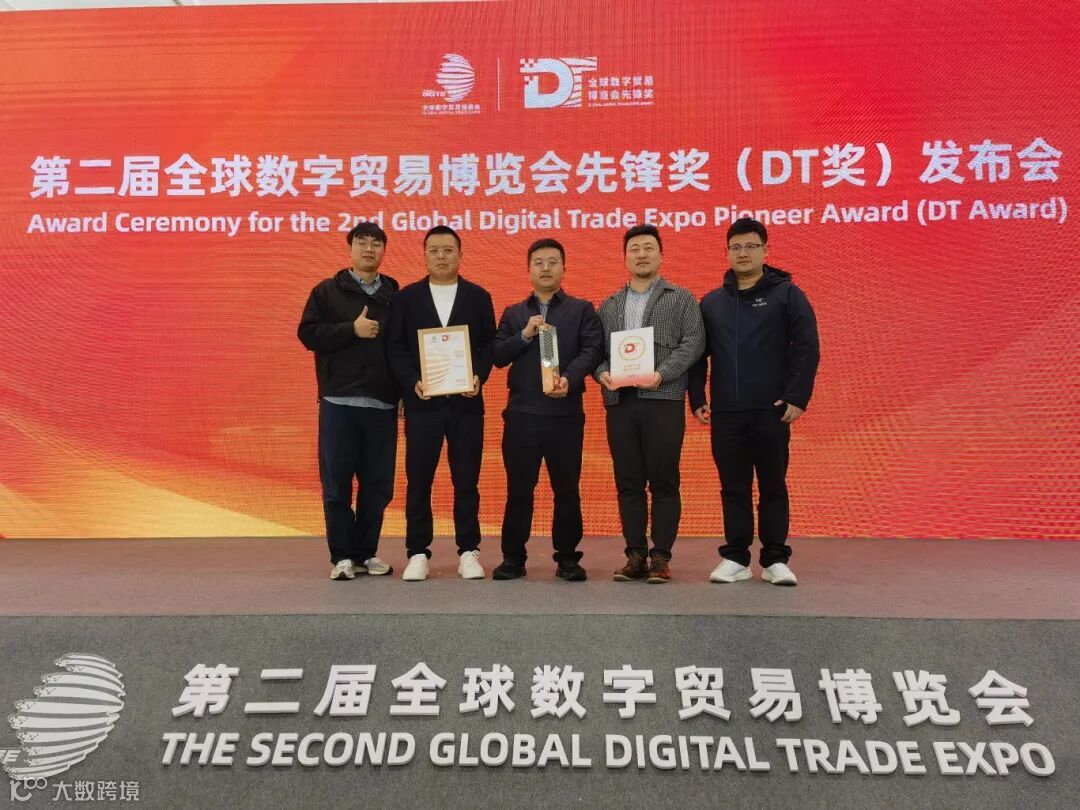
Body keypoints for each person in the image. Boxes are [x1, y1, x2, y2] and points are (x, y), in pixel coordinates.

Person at [689, 217, 820, 586]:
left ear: (765, 250)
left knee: (773, 485)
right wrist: (697, 397)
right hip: (726, 412)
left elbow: (807, 347)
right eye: (736, 247)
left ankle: (775, 558)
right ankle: (736, 557)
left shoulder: (787, 295)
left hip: (771, 409)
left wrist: (797, 396)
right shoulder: (712, 302)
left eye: (750, 246)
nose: (743, 253)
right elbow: (698, 355)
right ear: (727, 253)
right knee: (733, 487)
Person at [594, 224, 705, 583]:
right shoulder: (609, 305)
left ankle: (660, 556)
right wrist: (602, 373)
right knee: (628, 480)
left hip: (663, 398)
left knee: (663, 479)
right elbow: (595, 351)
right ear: (625, 257)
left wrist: (662, 373)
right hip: (621, 401)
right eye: (634, 249)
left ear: (661, 255)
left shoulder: (681, 298)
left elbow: (694, 343)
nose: (641, 254)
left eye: (648, 248)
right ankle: (635, 554)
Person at [386, 225, 496, 581]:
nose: (441, 256)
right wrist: (411, 382)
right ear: (424, 255)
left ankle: (468, 551)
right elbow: (395, 347)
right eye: (434, 250)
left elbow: (489, 345)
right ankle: (418, 552)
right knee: (419, 480)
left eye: (448, 250)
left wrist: (478, 376)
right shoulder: (406, 298)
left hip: (466, 404)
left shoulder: (478, 296)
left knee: (466, 480)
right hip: (423, 403)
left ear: (460, 255)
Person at [491, 238, 604, 582]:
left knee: (566, 490)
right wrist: (524, 336)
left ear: (564, 268)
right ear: (528, 269)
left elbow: (593, 349)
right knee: (518, 490)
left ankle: (567, 558)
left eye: (553, 262)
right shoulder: (514, 313)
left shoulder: (582, 310)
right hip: (522, 415)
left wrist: (569, 378)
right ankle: (513, 557)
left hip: (565, 416)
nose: (545, 268)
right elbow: (497, 355)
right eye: (539, 262)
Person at [297, 221, 399, 581]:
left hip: (383, 405)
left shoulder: (394, 295)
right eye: (362, 242)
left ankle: (365, 553)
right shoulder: (326, 291)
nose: (369, 249)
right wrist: (351, 330)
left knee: (378, 485)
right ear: (350, 248)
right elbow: (308, 334)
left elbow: (402, 348)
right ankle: (341, 556)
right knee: (337, 484)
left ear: (383, 250)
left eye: (376, 243)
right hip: (338, 402)